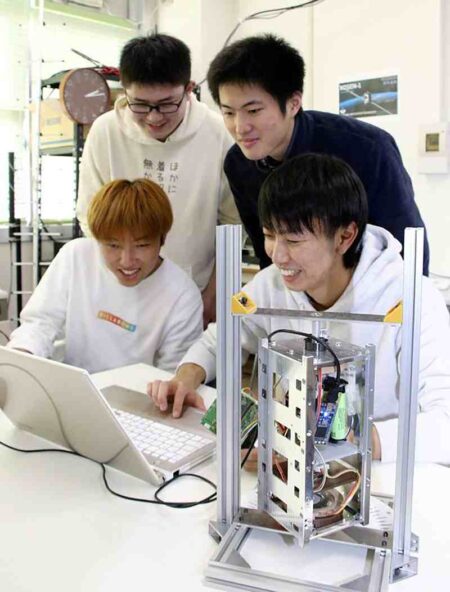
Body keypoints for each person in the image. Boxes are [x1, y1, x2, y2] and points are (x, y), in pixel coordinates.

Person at [148, 154, 450, 464]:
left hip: (382, 474)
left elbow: (444, 422)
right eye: (269, 235)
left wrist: (340, 444)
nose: (277, 256)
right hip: (287, 470)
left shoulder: (411, 299)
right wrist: (186, 376)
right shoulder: (271, 284)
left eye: (293, 240)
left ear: (345, 236)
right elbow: (220, 339)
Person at [206, 34, 430, 275]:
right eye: (229, 113)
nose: (240, 128)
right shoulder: (239, 164)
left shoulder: (366, 149)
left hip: (371, 288)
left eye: (253, 111)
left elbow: (407, 246)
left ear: (293, 104)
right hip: (296, 291)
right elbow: (266, 252)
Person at [76, 33, 241, 326]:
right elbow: (91, 217)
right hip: (120, 292)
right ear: (124, 91)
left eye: (166, 104)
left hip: (194, 293)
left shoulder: (218, 134)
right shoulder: (105, 132)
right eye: (140, 105)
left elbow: (233, 225)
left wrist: (213, 295)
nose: (153, 118)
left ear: (188, 89)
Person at [8, 178, 203, 374]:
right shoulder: (76, 256)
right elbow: (40, 323)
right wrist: (20, 357)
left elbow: (173, 374)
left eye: (142, 245)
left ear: (162, 239)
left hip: (138, 392)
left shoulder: (182, 294)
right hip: (72, 386)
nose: (127, 261)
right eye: (113, 245)